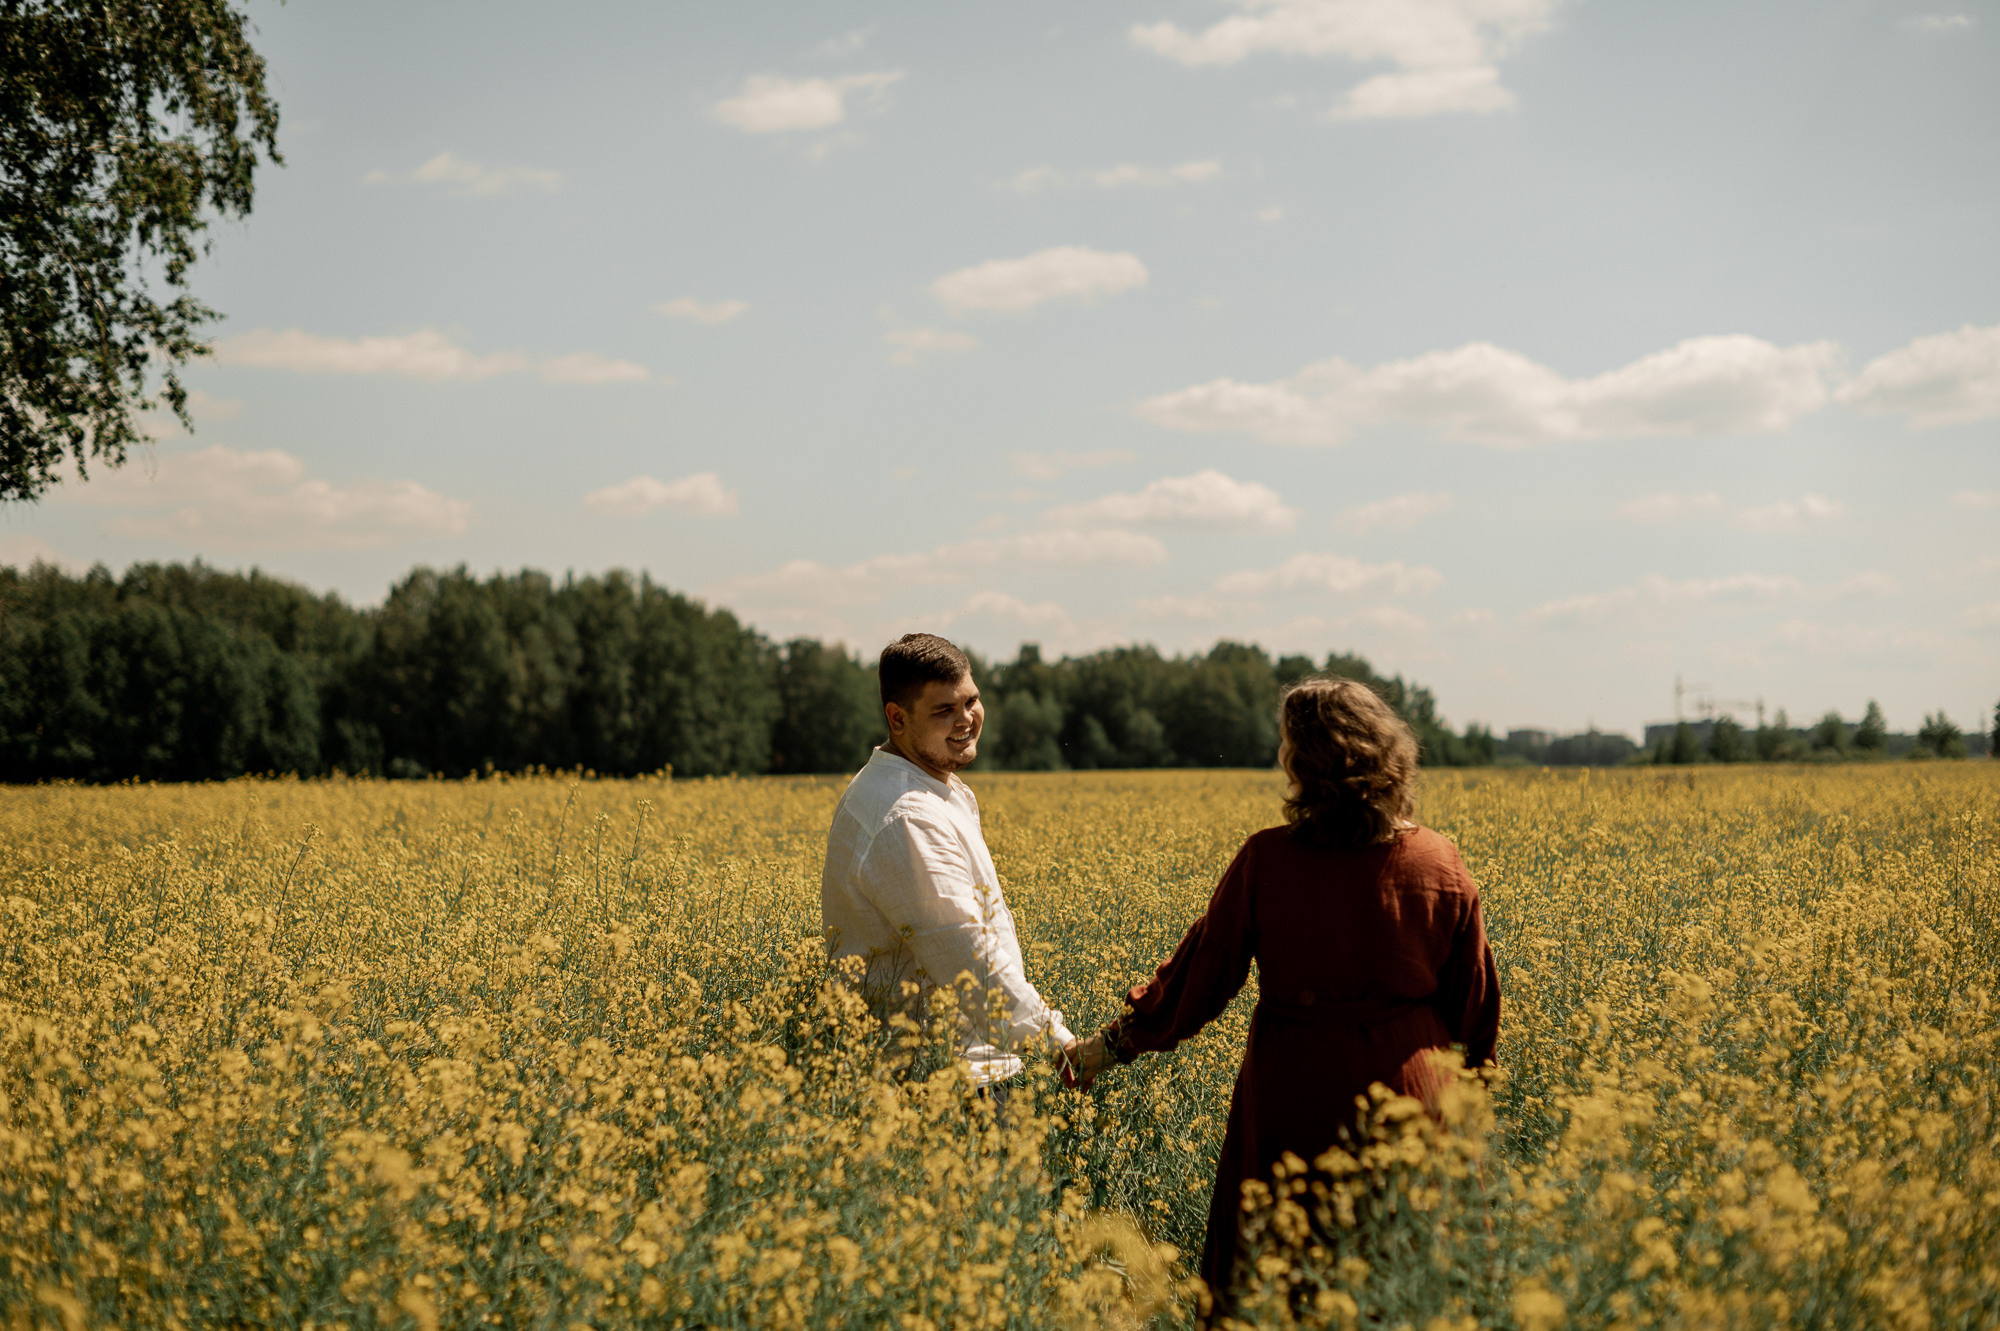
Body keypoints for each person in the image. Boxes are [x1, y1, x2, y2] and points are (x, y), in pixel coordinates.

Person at [1066, 675, 1501, 1308]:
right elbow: (1476, 999)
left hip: (1299, 1093)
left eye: (1285, 745)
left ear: (1306, 763)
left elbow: (1202, 974)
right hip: (1417, 1092)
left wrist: (1114, 1044)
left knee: (1283, 1283)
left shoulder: (1269, 860)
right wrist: (1469, 1100)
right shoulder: (1441, 861)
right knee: (1409, 1282)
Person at [821, 632, 1078, 1096]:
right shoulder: (906, 815)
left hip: (953, 1067)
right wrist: (1059, 1046)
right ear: (897, 718)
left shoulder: (925, 788)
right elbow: (966, 957)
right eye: (944, 710)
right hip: (943, 1083)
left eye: (972, 701)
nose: (966, 720)